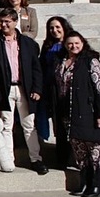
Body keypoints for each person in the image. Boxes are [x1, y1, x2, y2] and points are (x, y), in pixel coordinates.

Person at [0, 8, 47, 174]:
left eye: (8, 21)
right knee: (6, 124)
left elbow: (36, 68)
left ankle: (35, 159)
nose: (4, 25)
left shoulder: (27, 43)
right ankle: (8, 160)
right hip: (5, 89)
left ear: (15, 22)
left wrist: (37, 88)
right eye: (2, 21)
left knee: (29, 124)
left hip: (24, 88)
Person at [56, 32, 100, 197]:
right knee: (80, 151)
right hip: (70, 113)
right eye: (70, 44)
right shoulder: (62, 61)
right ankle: (85, 182)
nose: (74, 46)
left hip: (89, 111)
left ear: (83, 43)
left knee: (95, 151)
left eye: (77, 43)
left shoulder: (91, 61)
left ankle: (98, 185)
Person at [41, 16, 73, 166]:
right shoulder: (47, 46)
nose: (55, 30)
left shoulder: (72, 43)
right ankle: (62, 157)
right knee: (58, 124)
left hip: (69, 89)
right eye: (51, 28)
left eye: (57, 27)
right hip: (52, 89)